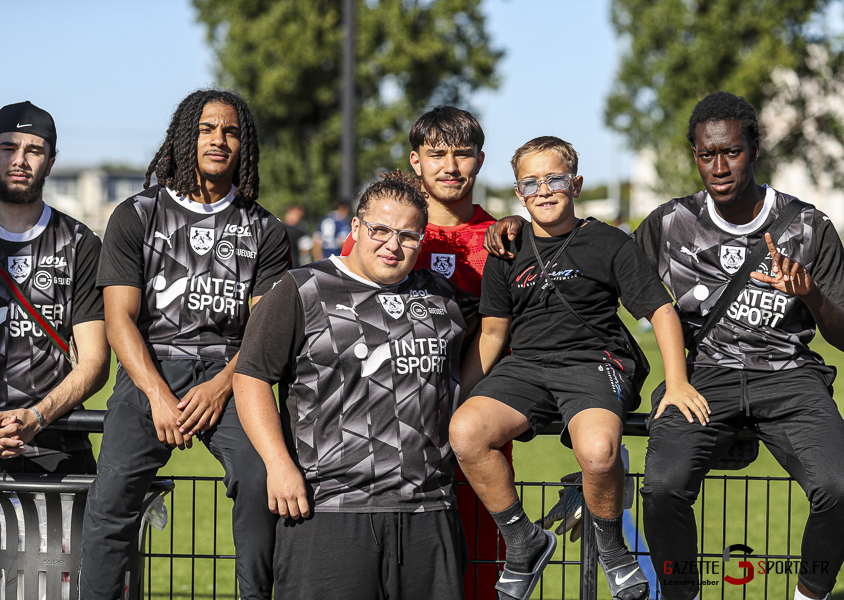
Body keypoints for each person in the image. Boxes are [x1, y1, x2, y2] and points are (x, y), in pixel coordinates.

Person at [484, 93, 844, 600]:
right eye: (706, 154)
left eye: (732, 152)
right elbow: (597, 261)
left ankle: (809, 593)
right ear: (694, 155)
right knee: (663, 488)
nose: (719, 166)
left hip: (789, 375)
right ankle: (682, 595)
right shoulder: (671, 221)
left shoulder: (809, 226)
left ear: (755, 150)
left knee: (839, 486)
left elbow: (842, 335)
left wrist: (811, 294)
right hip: (705, 378)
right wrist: (524, 231)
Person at [450, 136, 703, 600]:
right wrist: (455, 396)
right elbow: (491, 335)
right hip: (525, 368)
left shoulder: (608, 242)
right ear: (518, 192)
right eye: (531, 182)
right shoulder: (506, 248)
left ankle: (613, 549)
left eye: (555, 179)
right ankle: (524, 543)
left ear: (577, 183)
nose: (544, 190)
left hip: (594, 363)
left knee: (599, 451)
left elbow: (661, 312)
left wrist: (678, 381)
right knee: (465, 433)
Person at [79, 89, 290, 600]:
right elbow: (119, 319)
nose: (219, 139)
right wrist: (156, 396)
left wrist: (221, 388)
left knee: (262, 481)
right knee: (110, 502)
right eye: (207, 128)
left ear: (245, 145)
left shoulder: (266, 230)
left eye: (232, 131)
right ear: (184, 135)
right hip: (150, 367)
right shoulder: (136, 215)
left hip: (233, 373)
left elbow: (264, 334)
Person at [234, 171, 473, 600]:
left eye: (408, 235)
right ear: (357, 228)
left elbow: (490, 344)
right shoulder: (302, 289)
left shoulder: (445, 300)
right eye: (380, 230)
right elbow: (251, 377)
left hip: (429, 508)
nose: (392, 244)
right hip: (327, 508)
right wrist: (277, 463)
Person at [0, 101, 109, 600]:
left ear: (51, 161)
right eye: (9, 148)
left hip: (57, 456)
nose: (20, 158)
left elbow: (96, 361)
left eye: (34, 150)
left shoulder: (80, 244)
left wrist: (38, 415)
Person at [341, 105, 506, 599]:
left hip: (472, 424)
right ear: (416, 161)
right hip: (385, 431)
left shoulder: (503, 239)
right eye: (436, 154)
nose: (450, 166)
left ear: (480, 159)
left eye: (462, 154)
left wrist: (457, 398)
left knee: (477, 570)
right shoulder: (393, 235)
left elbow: (500, 334)